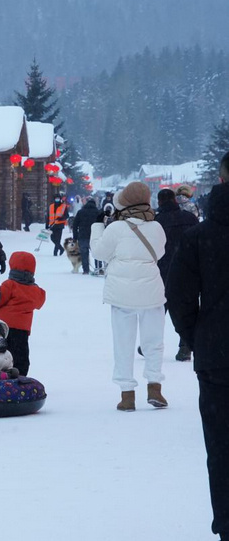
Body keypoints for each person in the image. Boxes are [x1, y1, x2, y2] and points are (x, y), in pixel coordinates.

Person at [167, 154, 229, 540]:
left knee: (222, 449)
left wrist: (198, 339)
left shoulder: (199, 237)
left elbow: (180, 298)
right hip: (216, 351)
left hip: (219, 355)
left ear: (220, 179)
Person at [90, 181, 167, 411]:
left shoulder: (115, 228)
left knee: (123, 342)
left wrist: (97, 227)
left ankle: (127, 394)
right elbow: (159, 253)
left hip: (122, 294)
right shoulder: (157, 227)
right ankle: (155, 387)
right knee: (153, 342)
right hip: (152, 291)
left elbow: (100, 253)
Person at [0, 252, 46, 376]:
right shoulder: (35, 289)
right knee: (20, 354)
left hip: (4, 327)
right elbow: (40, 302)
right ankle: (21, 375)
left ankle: (0, 375)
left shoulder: (10, 285)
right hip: (22, 329)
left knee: (2, 353)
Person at [154, 189, 199, 361]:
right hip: (188, 270)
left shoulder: (156, 222)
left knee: (158, 311)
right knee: (186, 309)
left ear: (159, 202)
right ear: (175, 200)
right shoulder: (190, 218)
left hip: (162, 271)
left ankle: (152, 345)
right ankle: (185, 345)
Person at [72, 197, 100, 275]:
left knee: (84, 254)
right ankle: (99, 268)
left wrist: (75, 236)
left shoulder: (80, 212)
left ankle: (86, 270)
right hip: (95, 236)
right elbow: (101, 224)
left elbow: (75, 225)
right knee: (97, 253)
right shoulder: (98, 212)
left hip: (83, 236)